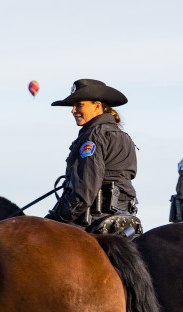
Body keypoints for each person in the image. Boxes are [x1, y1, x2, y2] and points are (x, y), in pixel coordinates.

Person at [44, 79, 139, 233]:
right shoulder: (124, 136)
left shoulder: (92, 137)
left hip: (94, 220)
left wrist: (54, 218)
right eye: (72, 106)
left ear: (97, 105)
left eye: (79, 105)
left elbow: (83, 194)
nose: (73, 110)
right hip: (125, 220)